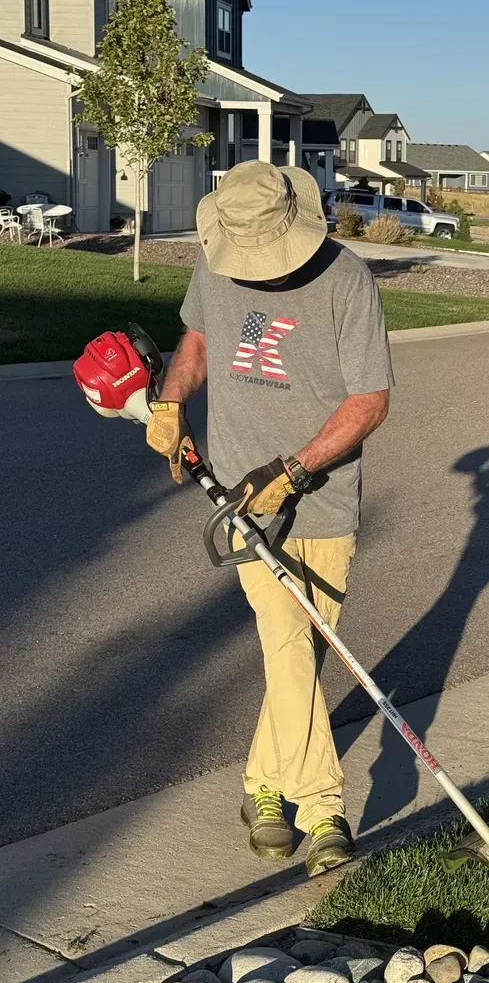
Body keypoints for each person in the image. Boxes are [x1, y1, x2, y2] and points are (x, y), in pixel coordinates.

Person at [145, 160, 393, 876]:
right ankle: (322, 808)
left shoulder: (346, 280)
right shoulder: (214, 259)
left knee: (305, 657)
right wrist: (171, 400)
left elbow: (369, 402)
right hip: (235, 498)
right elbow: (197, 341)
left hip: (322, 497)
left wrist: (294, 470)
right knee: (286, 645)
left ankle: (260, 784)